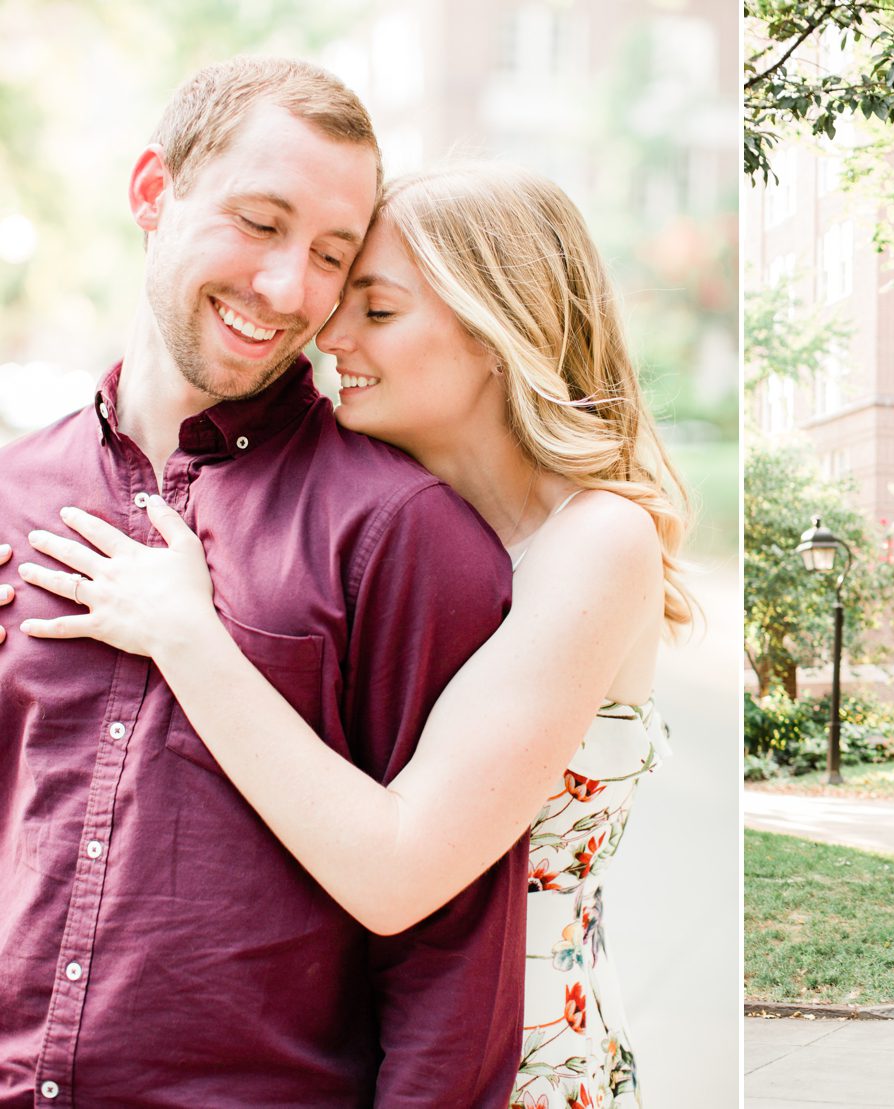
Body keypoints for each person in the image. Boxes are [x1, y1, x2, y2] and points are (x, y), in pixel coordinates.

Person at [8, 161, 693, 1108]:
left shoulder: (598, 540)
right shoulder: (395, 523)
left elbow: (397, 869)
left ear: (499, 329)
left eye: (376, 310)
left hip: (522, 1069)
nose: (328, 336)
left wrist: (186, 635)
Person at [0, 58, 526, 1104]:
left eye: (331, 254)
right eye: (259, 222)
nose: (288, 291)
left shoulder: (402, 534)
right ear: (154, 191)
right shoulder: (14, 490)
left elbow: (454, 958)